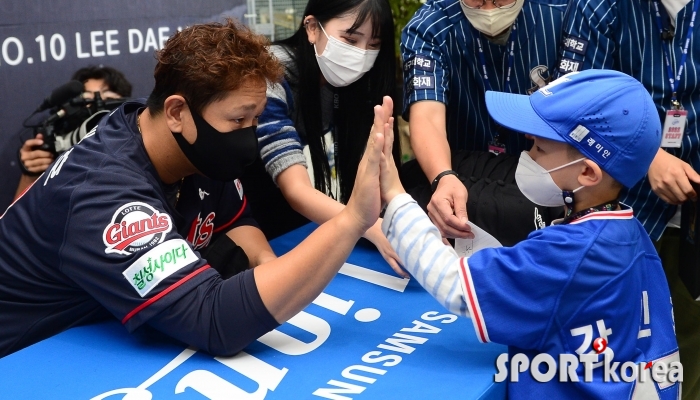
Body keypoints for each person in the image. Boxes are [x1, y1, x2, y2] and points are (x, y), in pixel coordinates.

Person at [0, 20, 391, 358]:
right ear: (176, 112)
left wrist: (272, 269)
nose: (248, 136)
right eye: (238, 119)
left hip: (96, 332)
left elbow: (236, 220)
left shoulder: (188, 142)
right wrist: (352, 220)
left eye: (254, 119)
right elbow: (215, 324)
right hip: (27, 356)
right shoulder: (106, 193)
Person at [377, 70, 680, 397]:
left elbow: (455, 285)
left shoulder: (570, 253)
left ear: (588, 173)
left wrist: (395, 195)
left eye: (539, 148)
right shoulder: (634, 235)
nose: (527, 156)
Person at [559, 2, 700, 397]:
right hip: (619, 211)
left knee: (688, 341)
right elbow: (574, 101)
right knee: (615, 342)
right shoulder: (598, 9)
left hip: (691, 211)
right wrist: (649, 155)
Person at [240, 0, 406, 276]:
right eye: (350, 39)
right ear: (313, 28)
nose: (361, 55)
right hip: (238, 215)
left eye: (374, 45)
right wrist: (370, 227)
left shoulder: (352, 84)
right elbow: (296, 190)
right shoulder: (267, 76)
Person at [400, 0, 568, 240]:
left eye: (500, 0)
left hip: (546, 174)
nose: (489, 9)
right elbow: (426, 116)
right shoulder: (430, 27)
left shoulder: (561, 15)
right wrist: (442, 176)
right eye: (476, 0)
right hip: (463, 175)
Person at [15, 65, 133, 198]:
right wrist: (31, 174)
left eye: (109, 98)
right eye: (87, 98)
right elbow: (18, 216)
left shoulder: (137, 143)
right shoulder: (58, 147)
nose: (96, 106)